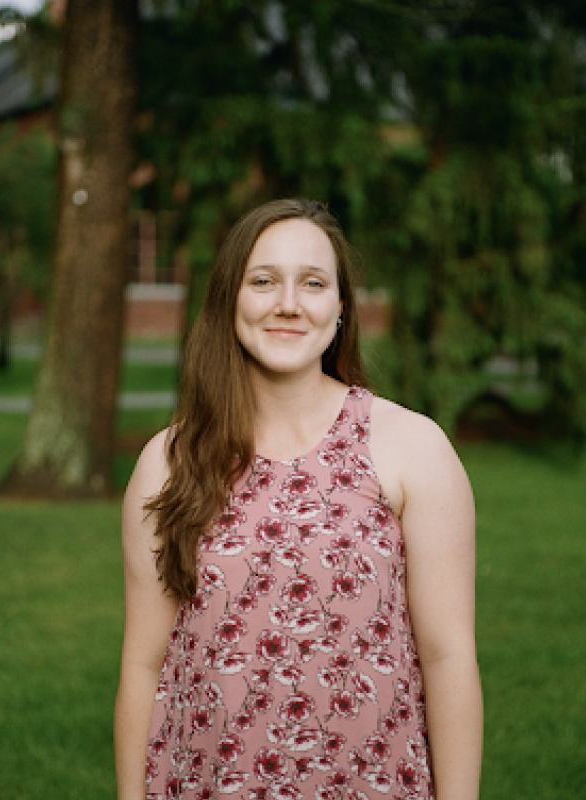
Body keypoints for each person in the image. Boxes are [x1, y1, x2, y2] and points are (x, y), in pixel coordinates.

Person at [115, 199, 482, 800]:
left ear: (340, 308)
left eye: (312, 283)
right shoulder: (169, 461)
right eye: (263, 281)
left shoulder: (411, 448)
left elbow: (447, 658)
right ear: (231, 297)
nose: (288, 303)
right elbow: (143, 665)